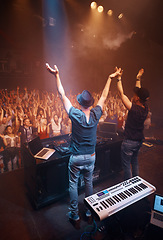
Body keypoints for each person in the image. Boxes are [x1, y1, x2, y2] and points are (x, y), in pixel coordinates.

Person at [46, 63, 121, 222]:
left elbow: (62, 95)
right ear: (91, 104)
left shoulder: (75, 114)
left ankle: (74, 213)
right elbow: (104, 96)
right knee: (89, 183)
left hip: (77, 157)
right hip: (91, 156)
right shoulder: (95, 114)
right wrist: (109, 78)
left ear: (80, 103)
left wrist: (57, 75)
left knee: (73, 184)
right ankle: (88, 211)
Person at [116, 68, 149, 180]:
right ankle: (136, 182)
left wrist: (119, 78)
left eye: (136, 95)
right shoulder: (145, 108)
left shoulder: (133, 109)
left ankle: (129, 186)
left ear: (138, 98)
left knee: (126, 166)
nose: (134, 95)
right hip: (138, 141)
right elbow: (138, 90)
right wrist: (138, 77)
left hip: (129, 141)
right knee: (135, 162)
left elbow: (121, 94)